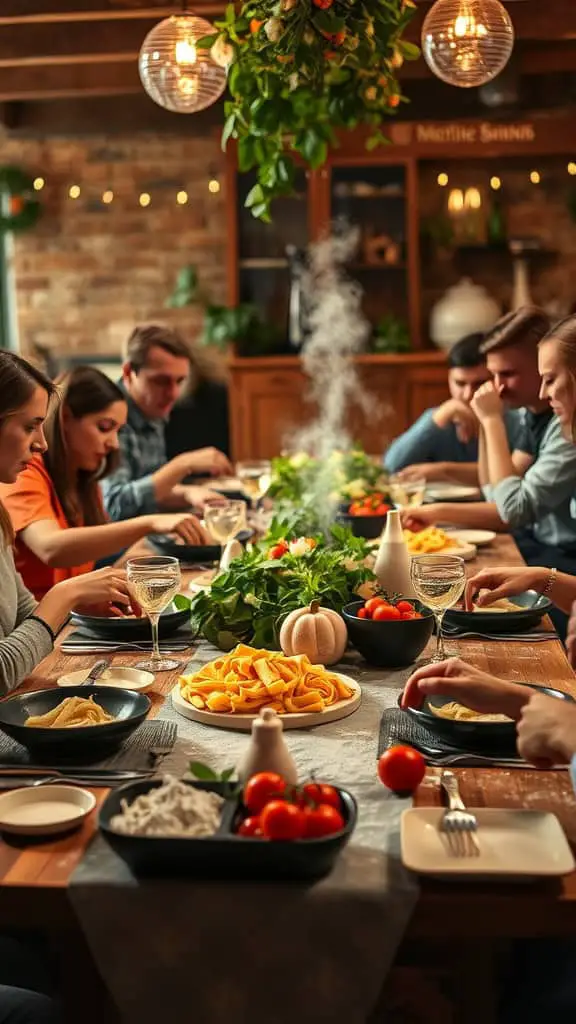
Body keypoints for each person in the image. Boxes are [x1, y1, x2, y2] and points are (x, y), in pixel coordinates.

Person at [0, 365, 210, 601]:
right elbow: (51, 548)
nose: (114, 444)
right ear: (66, 418)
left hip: (70, 621)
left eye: (118, 431)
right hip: (45, 626)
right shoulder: (23, 471)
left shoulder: (85, 479)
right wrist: (149, 524)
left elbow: (84, 574)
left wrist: (128, 562)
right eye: (104, 428)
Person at [0, 352, 137, 694]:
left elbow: (23, 613)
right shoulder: (27, 476)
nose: (41, 442)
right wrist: (67, 596)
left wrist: (75, 604)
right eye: (30, 425)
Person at [401, 307, 576, 563]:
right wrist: (485, 422)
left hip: (560, 555)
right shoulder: (532, 416)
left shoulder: (565, 428)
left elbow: (512, 510)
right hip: (542, 547)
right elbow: (494, 492)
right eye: (493, 375)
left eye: (507, 374)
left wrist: (491, 420)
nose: (496, 387)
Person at [101, 323, 232, 522]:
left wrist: (189, 493)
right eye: (160, 381)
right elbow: (115, 506)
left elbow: (149, 492)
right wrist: (183, 465)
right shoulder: (109, 419)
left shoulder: (151, 408)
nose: (173, 394)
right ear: (128, 372)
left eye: (179, 381)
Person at [383, 332, 521, 485]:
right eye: (460, 383)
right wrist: (437, 419)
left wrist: (442, 471)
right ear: (449, 379)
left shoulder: (517, 420)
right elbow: (391, 467)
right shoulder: (440, 418)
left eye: (479, 384)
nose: (468, 394)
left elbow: (514, 474)